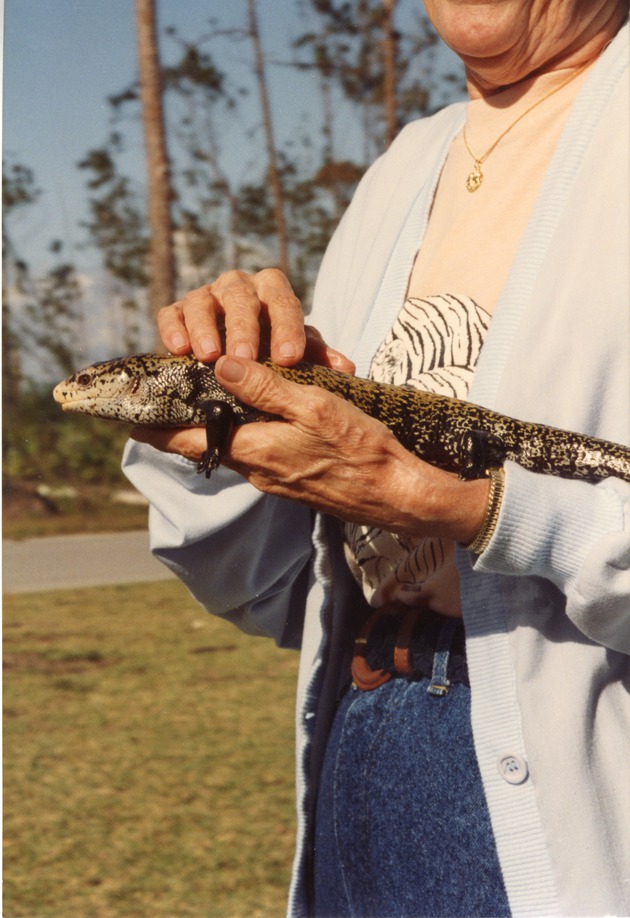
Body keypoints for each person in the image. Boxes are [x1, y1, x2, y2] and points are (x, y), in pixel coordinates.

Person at [123, 1, 630, 915]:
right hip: (365, 744)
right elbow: (281, 590)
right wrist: (222, 410)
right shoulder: (402, 168)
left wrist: (473, 510)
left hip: (568, 801)